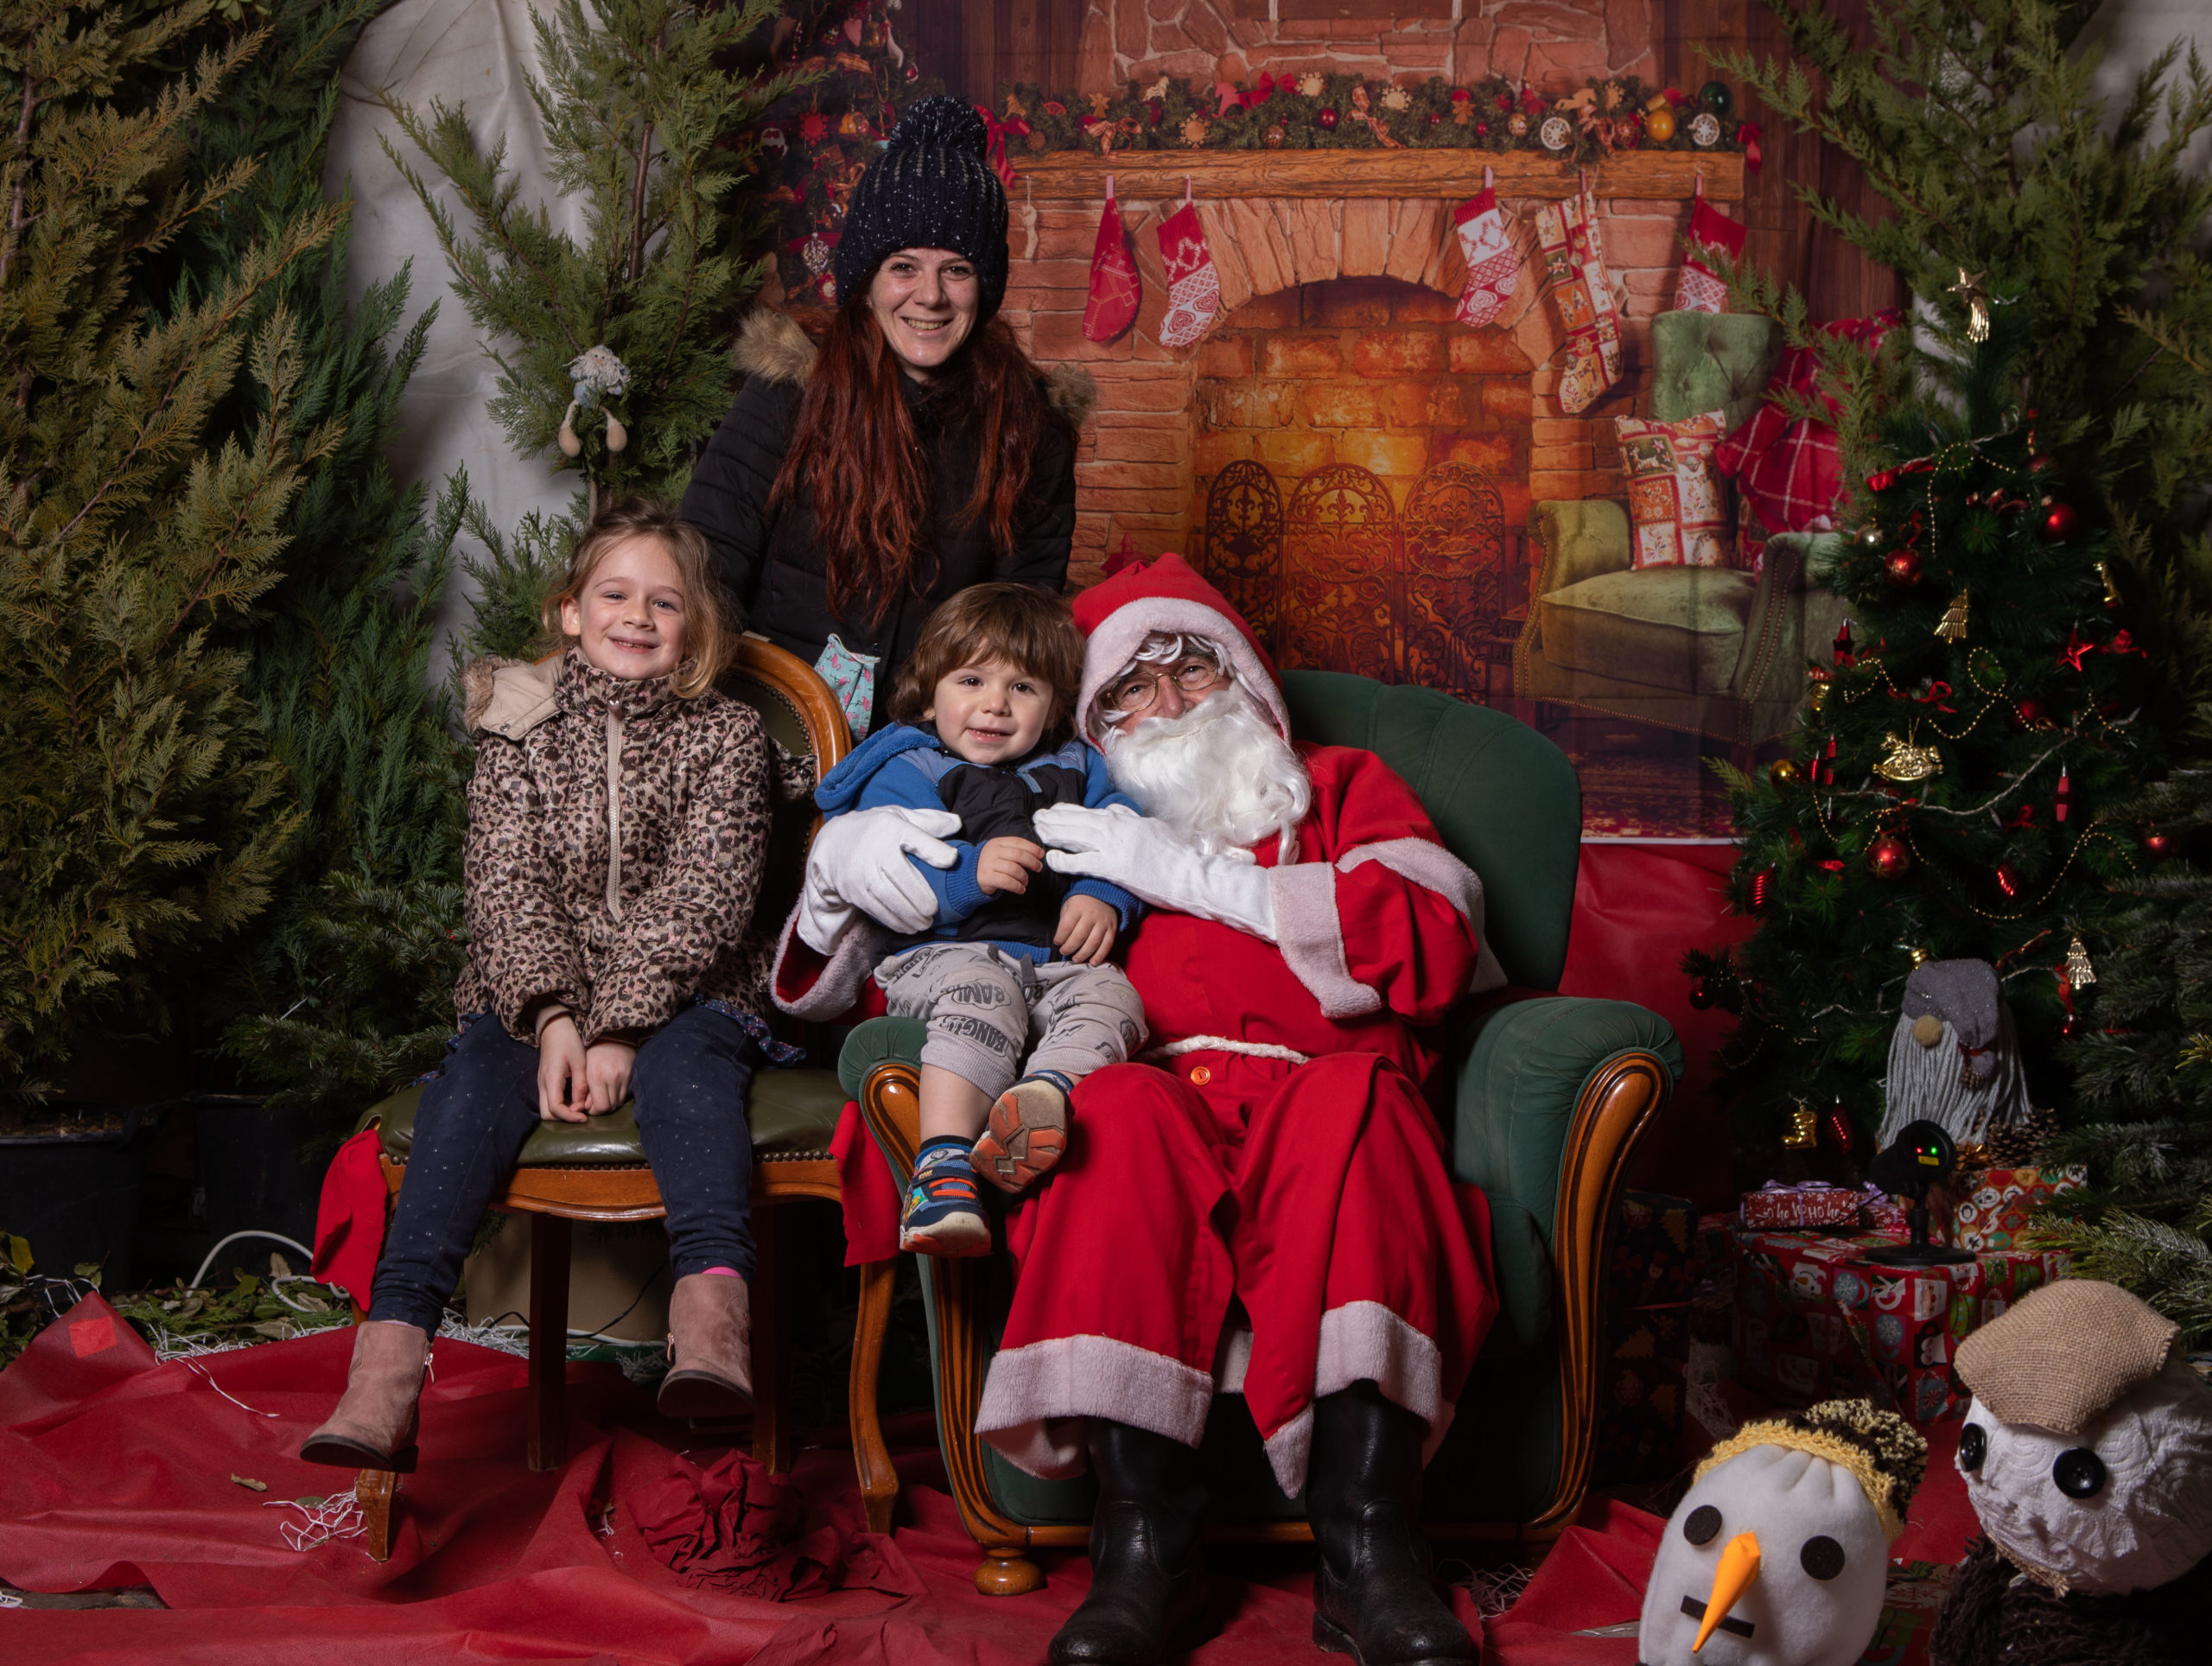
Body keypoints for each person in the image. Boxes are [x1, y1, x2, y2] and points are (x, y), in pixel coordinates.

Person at [783, 555, 1506, 1666]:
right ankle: (1144, 1550)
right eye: (1130, 687)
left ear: (1246, 682)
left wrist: (1200, 878)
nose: (1167, 703)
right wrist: (836, 868)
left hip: (1320, 1090)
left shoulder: (1336, 782)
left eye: (1192, 670)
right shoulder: (1049, 816)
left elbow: (1437, 934)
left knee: (1355, 1103)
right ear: (1090, 721)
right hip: (1144, 1088)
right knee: (1111, 1112)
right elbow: (874, 979)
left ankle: (1372, 1548)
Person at [302, 499, 797, 1472]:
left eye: (666, 602)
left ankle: (710, 1327)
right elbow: (506, 882)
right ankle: (386, 1372)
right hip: (534, 988)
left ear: (695, 627)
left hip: (694, 986)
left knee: (690, 1078)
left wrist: (621, 1029)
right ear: (570, 612)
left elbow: (708, 892)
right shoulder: (518, 726)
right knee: (469, 1089)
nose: (638, 616)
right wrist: (557, 1017)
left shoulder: (729, 735)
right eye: (615, 594)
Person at [679, 96, 1090, 740]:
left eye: (956, 270)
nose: (930, 296)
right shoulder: (788, 393)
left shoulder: (1030, 431)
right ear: (866, 281)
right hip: (769, 722)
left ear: (984, 287)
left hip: (932, 743)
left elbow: (1019, 626)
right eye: (904, 267)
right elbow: (703, 573)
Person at [800, 584, 1147, 1257]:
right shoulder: (908, 768)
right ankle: (942, 1167)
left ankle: (1041, 1100)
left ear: (1055, 707)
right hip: (941, 956)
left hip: (1055, 961)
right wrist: (966, 873)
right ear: (930, 698)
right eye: (971, 681)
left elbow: (1126, 834)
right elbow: (887, 869)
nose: (995, 704)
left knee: (1116, 995)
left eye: (1023, 687)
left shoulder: (1080, 765)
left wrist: (1101, 893)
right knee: (983, 993)